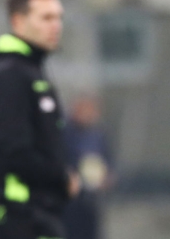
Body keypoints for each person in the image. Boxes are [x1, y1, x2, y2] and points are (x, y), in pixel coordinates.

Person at [0, 0, 80, 239]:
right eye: (46, 17)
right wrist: (61, 177)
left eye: (58, 17)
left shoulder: (31, 69)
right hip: (22, 213)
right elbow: (14, 149)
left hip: (39, 211)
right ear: (18, 20)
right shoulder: (11, 74)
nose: (56, 25)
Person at [63, 96, 114, 239]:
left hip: (92, 197)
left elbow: (108, 160)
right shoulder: (65, 133)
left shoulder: (98, 134)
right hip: (71, 198)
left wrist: (108, 177)